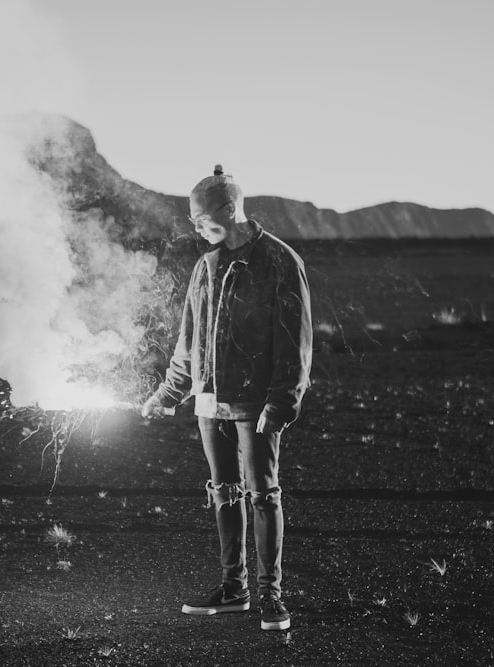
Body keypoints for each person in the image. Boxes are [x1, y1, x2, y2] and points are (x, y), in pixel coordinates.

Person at [141, 164, 313, 631]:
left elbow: (295, 342)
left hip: (256, 406)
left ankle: (270, 595)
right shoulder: (207, 265)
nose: (194, 227)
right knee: (223, 491)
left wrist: (281, 405)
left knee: (263, 493)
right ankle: (233, 590)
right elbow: (187, 341)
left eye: (199, 218)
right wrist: (168, 394)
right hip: (208, 404)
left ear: (230, 208)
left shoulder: (280, 261)